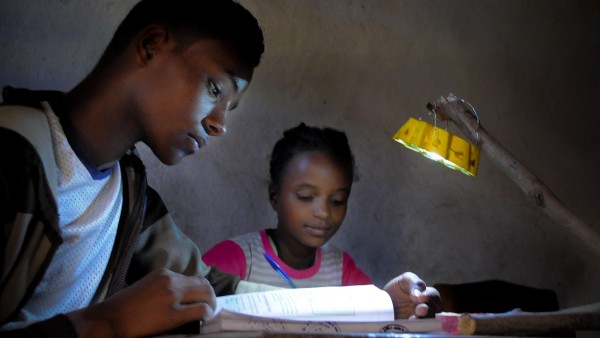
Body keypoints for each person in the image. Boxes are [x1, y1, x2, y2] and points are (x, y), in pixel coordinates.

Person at [0, 1, 438, 337]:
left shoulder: (130, 196)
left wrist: (379, 303)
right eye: (215, 89)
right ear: (151, 47)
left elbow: (217, 290)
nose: (220, 124)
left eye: (231, 108)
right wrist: (103, 324)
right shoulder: (14, 153)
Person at [202, 123, 441, 318]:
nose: (324, 213)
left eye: (337, 200)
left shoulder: (340, 269)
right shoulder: (238, 259)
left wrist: (392, 306)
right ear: (274, 197)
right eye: (306, 197)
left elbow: (369, 318)